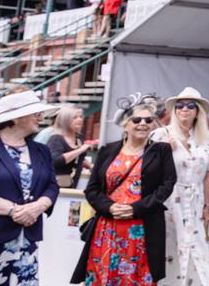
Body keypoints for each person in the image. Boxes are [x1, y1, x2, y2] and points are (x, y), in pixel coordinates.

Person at [73, 93, 177, 285]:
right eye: (137, 119)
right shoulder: (107, 150)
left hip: (142, 227)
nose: (143, 123)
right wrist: (109, 207)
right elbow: (93, 189)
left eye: (149, 120)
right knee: (105, 276)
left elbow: (167, 186)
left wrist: (135, 208)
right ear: (125, 124)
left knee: (137, 277)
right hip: (108, 226)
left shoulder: (161, 150)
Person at [0, 90, 60, 285]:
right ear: (17, 117)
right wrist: (13, 210)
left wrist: (37, 207)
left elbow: (52, 186)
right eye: (35, 113)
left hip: (26, 241)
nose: (41, 117)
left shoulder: (41, 150)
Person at [151, 87, 209, 286]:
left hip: (195, 204)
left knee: (197, 250)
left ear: (198, 111)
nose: (184, 109)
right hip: (167, 202)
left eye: (190, 105)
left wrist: (207, 206)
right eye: (180, 105)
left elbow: (207, 175)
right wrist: (164, 150)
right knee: (168, 250)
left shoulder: (207, 140)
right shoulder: (160, 135)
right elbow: (147, 171)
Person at [47, 103, 96, 188]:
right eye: (75, 117)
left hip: (72, 182)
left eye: (81, 117)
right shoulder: (56, 138)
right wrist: (80, 150)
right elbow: (56, 161)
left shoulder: (79, 138)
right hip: (55, 184)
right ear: (65, 120)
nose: (80, 119)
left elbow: (78, 158)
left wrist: (91, 166)